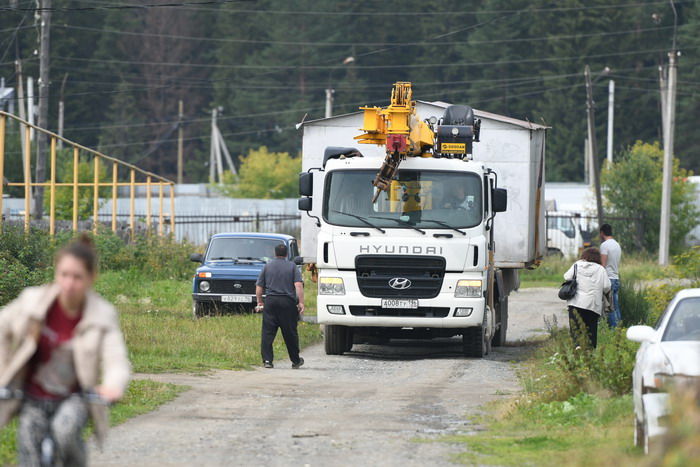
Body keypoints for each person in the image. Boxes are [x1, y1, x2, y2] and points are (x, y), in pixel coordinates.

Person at [0, 234, 131, 467]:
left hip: (74, 398)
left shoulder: (102, 314)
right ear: (56, 274)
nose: (69, 284)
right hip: (31, 396)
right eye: (64, 275)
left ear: (91, 278)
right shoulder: (32, 302)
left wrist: (113, 385)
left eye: (77, 277)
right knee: (28, 443)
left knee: (65, 430)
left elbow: (116, 359)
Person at [255, 243, 305, 369]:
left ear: (275, 253)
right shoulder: (292, 266)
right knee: (290, 333)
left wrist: (260, 301)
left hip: (271, 302)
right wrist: (301, 302)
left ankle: (267, 360)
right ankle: (295, 361)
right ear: (287, 253)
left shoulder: (267, 266)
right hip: (287, 303)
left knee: (268, 332)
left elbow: (259, 287)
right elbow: (298, 285)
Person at [563, 247, 611, 348]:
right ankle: (589, 351)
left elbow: (567, 277)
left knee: (575, 330)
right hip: (592, 305)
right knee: (591, 331)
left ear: (584, 256)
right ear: (598, 258)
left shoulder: (577, 265)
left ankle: (576, 349)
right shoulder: (600, 269)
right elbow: (607, 286)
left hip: (575, 303)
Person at [599, 223, 622, 327]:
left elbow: (602, 266)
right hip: (616, 278)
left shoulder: (604, 245)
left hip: (609, 280)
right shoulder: (617, 244)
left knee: (610, 309)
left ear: (602, 233)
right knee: (616, 307)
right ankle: (619, 330)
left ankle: (613, 332)